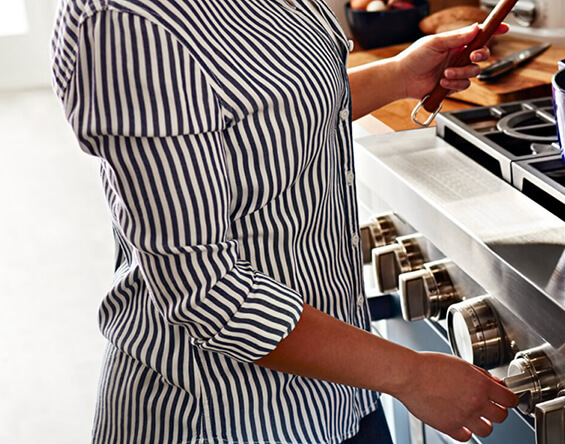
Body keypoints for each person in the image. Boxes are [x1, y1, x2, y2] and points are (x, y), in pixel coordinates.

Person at [49, 0, 518, 441]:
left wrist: (398, 76)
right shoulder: (128, 23)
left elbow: (268, 118)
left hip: (343, 389)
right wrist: (410, 375)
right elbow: (205, 290)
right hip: (225, 414)